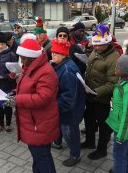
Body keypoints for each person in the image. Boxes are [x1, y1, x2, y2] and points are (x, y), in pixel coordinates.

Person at [14, 39, 59, 173]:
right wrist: (15, 92)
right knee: (38, 157)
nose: (21, 62)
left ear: (31, 57)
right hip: (35, 123)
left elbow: (43, 97)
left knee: (42, 157)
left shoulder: (45, 72)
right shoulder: (31, 67)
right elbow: (28, 88)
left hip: (39, 124)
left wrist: (18, 99)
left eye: (23, 58)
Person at [81, 25, 119, 160]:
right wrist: (86, 50)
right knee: (89, 118)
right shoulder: (96, 50)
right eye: (95, 44)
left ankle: (101, 149)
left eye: (100, 45)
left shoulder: (114, 58)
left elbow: (112, 83)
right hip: (90, 93)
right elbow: (91, 61)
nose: (96, 47)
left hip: (101, 97)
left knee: (103, 124)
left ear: (108, 43)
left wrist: (96, 92)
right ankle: (89, 141)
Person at [50, 39, 85, 167]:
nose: (52, 55)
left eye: (56, 53)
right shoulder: (60, 65)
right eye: (52, 52)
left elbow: (68, 99)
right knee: (61, 129)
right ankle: (58, 143)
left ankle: (75, 155)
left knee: (70, 133)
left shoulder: (67, 71)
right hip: (63, 109)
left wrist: (53, 107)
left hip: (70, 112)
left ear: (64, 55)